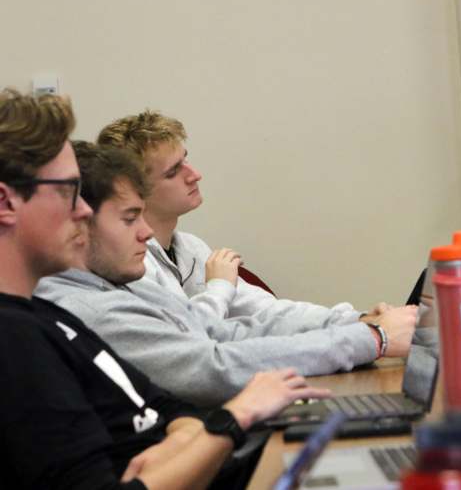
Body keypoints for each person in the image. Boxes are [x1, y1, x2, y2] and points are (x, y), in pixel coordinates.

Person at [0, 88, 328, 489]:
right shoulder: (14, 339)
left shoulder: (47, 317)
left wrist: (187, 437)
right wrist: (234, 418)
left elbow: (164, 406)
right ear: (6, 203)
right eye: (69, 190)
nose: (84, 209)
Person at [35, 141, 409, 406]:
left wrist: (359, 325)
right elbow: (213, 369)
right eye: (131, 218)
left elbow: (228, 328)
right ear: (78, 223)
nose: (145, 232)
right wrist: (371, 337)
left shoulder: (123, 279)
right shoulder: (89, 305)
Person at [95, 111, 416, 348]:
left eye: (187, 161)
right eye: (174, 171)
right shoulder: (132, 266)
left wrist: (357, 320)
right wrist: (219, 287)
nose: (195, 175)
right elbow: (191, 339)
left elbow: (269, 313)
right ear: (136, 191)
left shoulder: (191, 248)